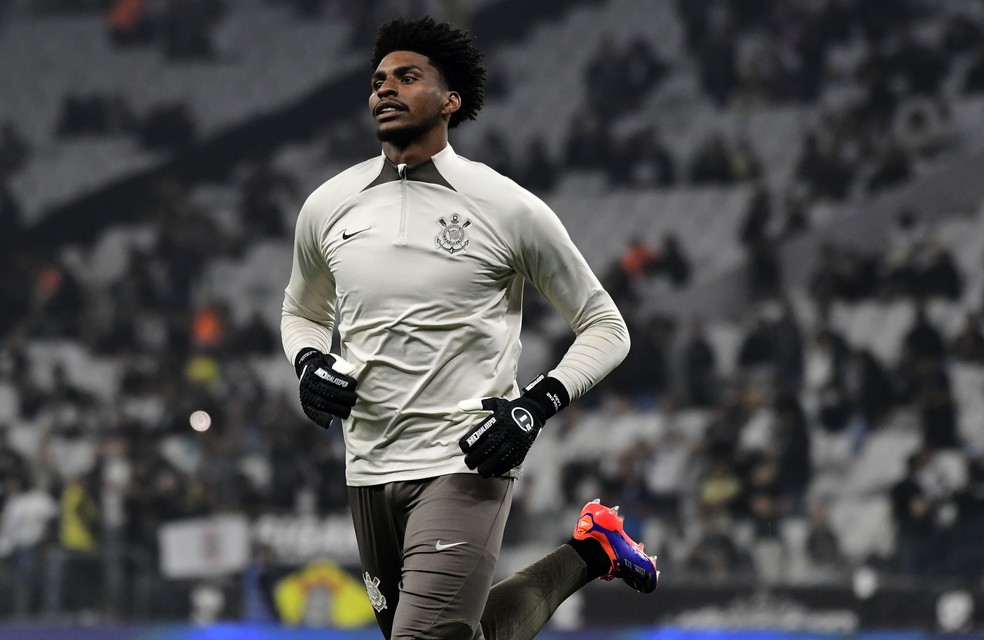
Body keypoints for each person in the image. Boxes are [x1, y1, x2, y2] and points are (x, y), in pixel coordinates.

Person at [280, 16, 658, 640]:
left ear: (450, 100)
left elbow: (605, 325)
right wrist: (309, 362)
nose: (385, 90)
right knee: (465, 634)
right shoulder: (327, 205)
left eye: (407, 77)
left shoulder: (506, 206)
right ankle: (594, 551)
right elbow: (301, 311)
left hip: (465, 458)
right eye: (378, 80)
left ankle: (593, 550)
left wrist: (533, 407)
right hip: (368, 463)